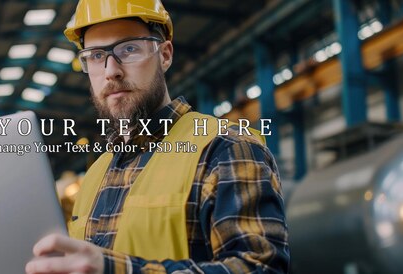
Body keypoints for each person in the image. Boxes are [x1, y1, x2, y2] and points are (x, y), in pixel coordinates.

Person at [26, 1, 290, 273]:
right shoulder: (94, 175)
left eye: (129, 49)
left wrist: (121, 270)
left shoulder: (226, 148)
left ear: (164, 55)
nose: (111, 71)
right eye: (95, 56)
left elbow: (259, 267)